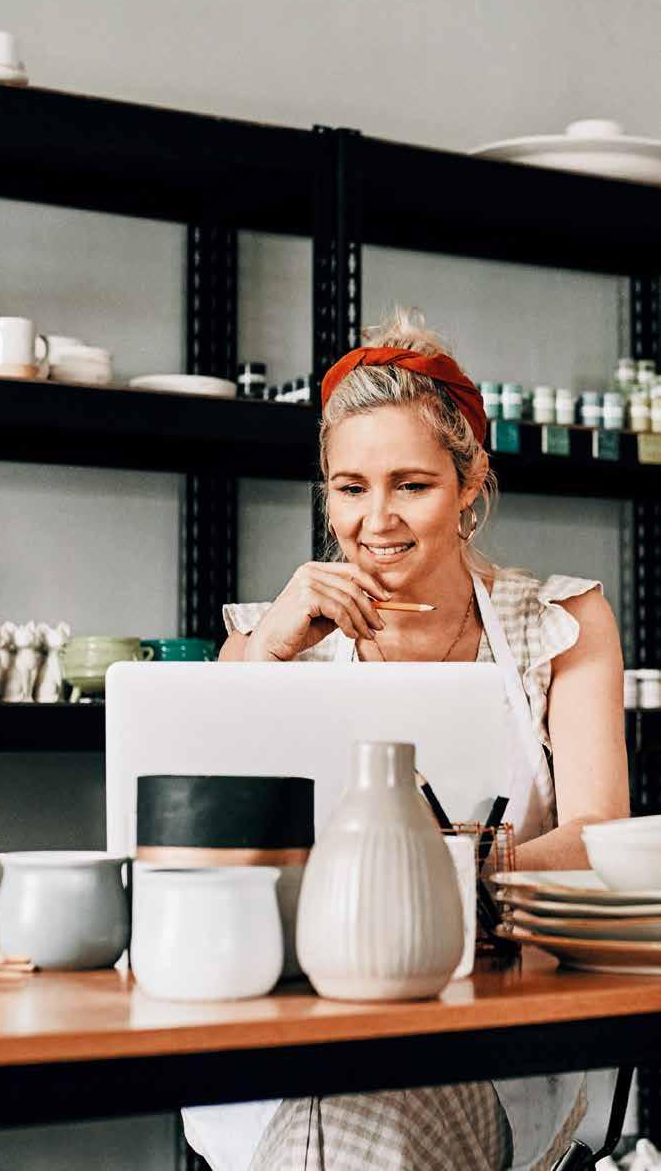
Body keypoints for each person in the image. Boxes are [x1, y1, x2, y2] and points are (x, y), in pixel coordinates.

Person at [184, 308, 630, 1171]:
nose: (375, 519)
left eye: (411, 485)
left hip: (486, 1024)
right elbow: (198, 844)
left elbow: (598, 835)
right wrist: (268, 653)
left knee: (375, 1097)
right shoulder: (266, 637)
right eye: (350, 488)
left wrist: (428, 881)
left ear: (470, 484)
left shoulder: (560, 622)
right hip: (294, 1019)